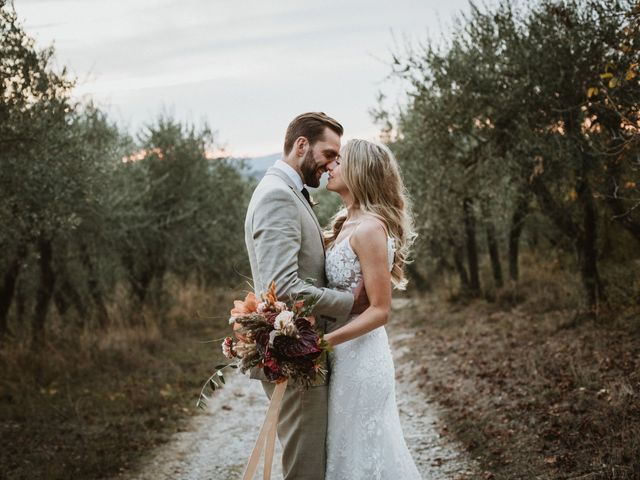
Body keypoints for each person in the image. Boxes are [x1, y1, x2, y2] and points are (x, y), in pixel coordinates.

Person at [243, 112, 366, 480]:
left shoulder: (288, 192)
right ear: (301, 145)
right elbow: (285, 287)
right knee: (306, 469)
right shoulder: (277, 196)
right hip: (295, 357)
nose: (333, 163)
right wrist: (350, 303)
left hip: (303, 350)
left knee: (312, 462)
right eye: (329, 153)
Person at [323, 139, 422, 479]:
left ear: (359, 171)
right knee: (343, 448)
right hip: (341, 351)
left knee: (363, 451)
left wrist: (323, 343)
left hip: (361, 356)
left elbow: (380, 310)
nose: (329, 166)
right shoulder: (345, 224)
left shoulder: (370, 229)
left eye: (339, 161)